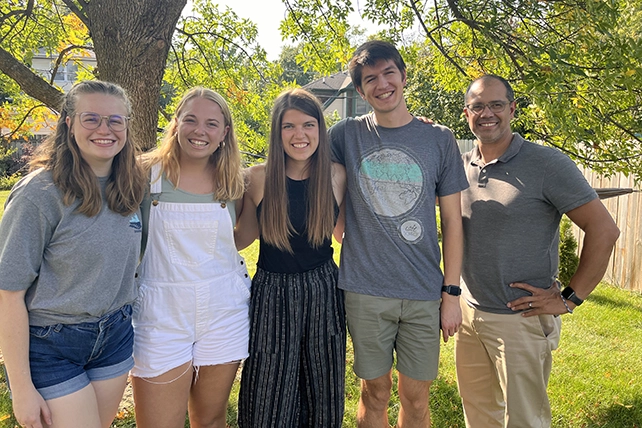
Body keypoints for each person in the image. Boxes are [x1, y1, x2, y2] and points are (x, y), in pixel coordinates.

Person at [456, 74, 620, 428]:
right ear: (466, 113)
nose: (487, 113)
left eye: (496, 104)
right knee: (479, 415)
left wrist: (570, 298)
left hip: (521, 321)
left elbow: (604, 230)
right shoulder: (461, 166)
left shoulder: (547, 164)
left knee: (526, 420)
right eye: (478, 106)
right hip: (470, 315)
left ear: (512, 109)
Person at [328, 40, 469, 427]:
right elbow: (306, 160)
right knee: (374, 393)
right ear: (360, 90)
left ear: (404, 77)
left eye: (389, 72)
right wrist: (340, 221)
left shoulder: (439, 138)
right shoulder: (344, 135)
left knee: (416, 399)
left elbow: (453, 223)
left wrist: (451, 294)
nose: (382, 84)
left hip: (423, 291)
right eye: (370, 78)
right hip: (364, 288)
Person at [0, 80, 146, 428]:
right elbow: (8, 294)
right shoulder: (40, 192)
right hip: (52, 343)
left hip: (115, 334)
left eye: (115, 120)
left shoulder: (132, 187)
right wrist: (21, 388)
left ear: (126, 125)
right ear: (68, 122)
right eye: (91, 118)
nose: (104, 129)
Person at [131, 87, 249, 428]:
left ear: (225, 132)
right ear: (176, 123)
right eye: (191, 120)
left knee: (210, 420)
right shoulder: (143, 175)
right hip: (160, 314)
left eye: (212, 123)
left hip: (223, 312)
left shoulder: (235, 181)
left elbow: (241, 237)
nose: (201, 131)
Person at [235, 88, 347, 427]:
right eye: (289, 126)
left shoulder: (337, 175)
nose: (300, 135)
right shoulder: (257, 177)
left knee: (323, 392)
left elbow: (348, 236)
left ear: (320, 129)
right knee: (266, 395)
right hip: (272, 293)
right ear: (276, 132)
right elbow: (242, 237)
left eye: (309, 125)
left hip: (324, 289)